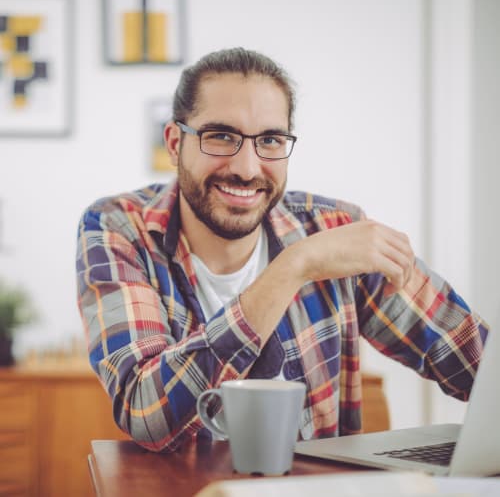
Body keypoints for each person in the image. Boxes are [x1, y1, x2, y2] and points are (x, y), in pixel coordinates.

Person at [76, 47, 489, 453]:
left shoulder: (335, 229)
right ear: (173, 142)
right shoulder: (118, 229)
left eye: (270, 140)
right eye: (221, 136)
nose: (247, 168)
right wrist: (294, 266)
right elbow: (147, 414)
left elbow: (470, 356)